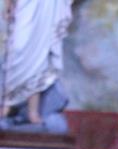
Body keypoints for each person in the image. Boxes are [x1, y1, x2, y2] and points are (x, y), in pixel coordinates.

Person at [0, 0, 72, 130]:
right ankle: (7, 105)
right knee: (16, 50)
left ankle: (32, 111)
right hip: (24, 6)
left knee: (37, 57)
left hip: (44, 7)